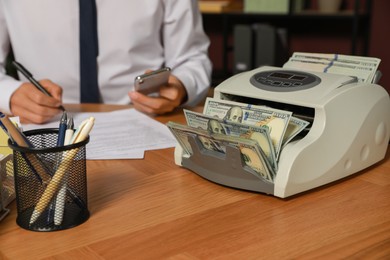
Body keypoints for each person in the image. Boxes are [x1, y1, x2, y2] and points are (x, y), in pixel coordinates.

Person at [0, 1, 212, 124]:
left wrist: (181, 87)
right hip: (44, 123)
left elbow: (192, 58)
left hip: (149, 119)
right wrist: (10, 94)